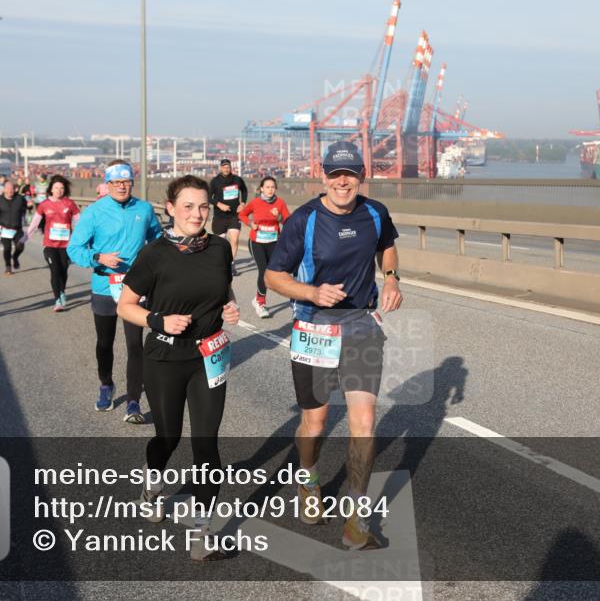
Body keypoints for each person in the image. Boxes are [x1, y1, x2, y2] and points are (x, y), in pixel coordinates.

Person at [265, 140, 403, 550]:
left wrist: (391, 278)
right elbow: (274, 276)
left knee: (364, 420)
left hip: (361, 325)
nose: (343, 182)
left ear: (362, 176)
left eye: (350, 174)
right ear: (323, 176)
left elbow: (387, 246)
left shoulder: (375, 213)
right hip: (315, 327)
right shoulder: (304, 220)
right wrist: (311, 293)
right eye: (335, 174)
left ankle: (357, 519)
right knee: (315, 423)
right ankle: (308, 480)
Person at [116, 175, 240, 561]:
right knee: (168, 438)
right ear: (170, 208)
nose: (197, 214)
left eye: (203, 206)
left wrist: (229, 306)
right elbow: (125, 306)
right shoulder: (154, 254)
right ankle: (152, 486)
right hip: (164, 358)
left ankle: (202, 534)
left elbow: (222, 288)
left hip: (208, 356)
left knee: (206, 443)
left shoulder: (220, 248)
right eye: (188, 206)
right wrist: (159, 320)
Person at [68, 160, 162, 422]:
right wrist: (98, 257)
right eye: (116, 182)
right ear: (107, 184)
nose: (122, 186)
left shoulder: (144, 209)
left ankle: (133, 402)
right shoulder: (94, 212)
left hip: (135, 288)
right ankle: (106, 384)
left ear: (132, 182)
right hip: (104, 286)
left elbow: (157, 240)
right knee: (104, 342)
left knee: (135, 345)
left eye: (126, 181)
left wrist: (155, 265)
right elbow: (74, 248)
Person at [25, 174, 80, 312]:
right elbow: (35, 223)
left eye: (61, 188)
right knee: (55, 270)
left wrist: (83, 239)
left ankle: (62, 291)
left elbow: (79, 222)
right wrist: (24, 238)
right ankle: (57, 300)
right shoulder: (44, 204)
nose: (59, 190)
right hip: (49, 244)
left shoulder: (70, 204)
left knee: (63, 270)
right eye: (56, 188)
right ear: (51, 189)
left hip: (66, 245)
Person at [237, 176, 290, 318]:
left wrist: (279, 217)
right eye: (267, 187)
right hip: (256, 242)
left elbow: (288, 221)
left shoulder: (280, 203)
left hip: (273, 242)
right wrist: (250, 224)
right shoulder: (255, 202)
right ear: (261, 189)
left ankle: (257, 298)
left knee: (272, 272)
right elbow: (242, 215)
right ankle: (261, 303)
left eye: (272, 187)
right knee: (264, 271)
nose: (270, 190)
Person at [209, 159, 247, 277]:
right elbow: (208, 197)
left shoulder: (237, 180)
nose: (226, 169)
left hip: (234, 215)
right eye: (224, 167)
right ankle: (221, 264)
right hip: (219, 217)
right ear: (220, 168)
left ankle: (231, 264)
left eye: (228, 167)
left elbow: (244, 190)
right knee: (221, 243)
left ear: (231, 168)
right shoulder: (215, 181)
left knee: (234, 240)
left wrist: (243, 203)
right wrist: (219, 204)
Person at [0, 181, 27, 274]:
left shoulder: (20, 199)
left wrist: (30, 206)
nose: (10, 191)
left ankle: (15, 257)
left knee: (21, 247)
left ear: (14, 189)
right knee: (7, 249)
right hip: (5, 229)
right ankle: (8, 266)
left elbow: (26, 207)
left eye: (11, 189)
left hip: (17, 228)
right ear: (4, 189)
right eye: (7, 189)